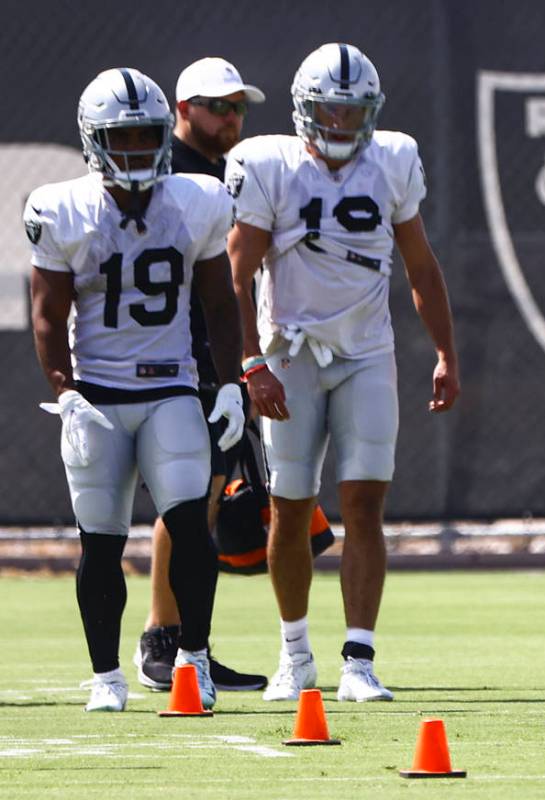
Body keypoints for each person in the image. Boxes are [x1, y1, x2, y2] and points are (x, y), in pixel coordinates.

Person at [226, 42, 460, 703]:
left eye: (353, 111)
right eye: (328, 109)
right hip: (289, 357)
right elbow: (236, 275)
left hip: (365, 354)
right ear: (304, 109)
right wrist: (251, 364)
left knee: (364, 506)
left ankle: (358, 659)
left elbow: (420, 267)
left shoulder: (392, 159)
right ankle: (294, 654)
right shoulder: (267, 165)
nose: (340, 123)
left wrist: (446, 352)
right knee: (290, 508)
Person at [26, 68, 245, 712]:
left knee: (189, 526)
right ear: (93, 142)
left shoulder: (196, 199)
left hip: (171, 387)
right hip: (97, 393)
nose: (137, 150)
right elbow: (46, 313)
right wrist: (64, 391)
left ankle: (193, 662)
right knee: (100, 541)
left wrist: (229, 385)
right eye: (121, 138)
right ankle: (105, 676)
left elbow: (220, 302)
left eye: (148, 136)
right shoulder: (61, 208)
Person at [132, 57, 268, 694]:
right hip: (174, 353)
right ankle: (163, 637)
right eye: (219, 106)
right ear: (183, 109)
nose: (232, 117)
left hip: (215, 353)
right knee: (186, 497)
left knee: (208, 494)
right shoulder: (165, 174)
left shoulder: (228, 173)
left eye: (238, 106)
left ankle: (193, 643)